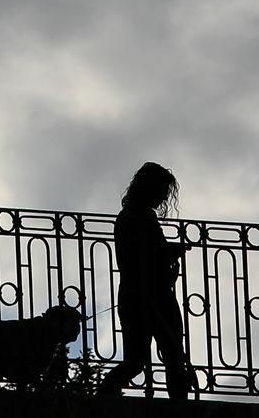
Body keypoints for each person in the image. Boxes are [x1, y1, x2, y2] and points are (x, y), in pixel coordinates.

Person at [96, 162, 193, 400]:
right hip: (150, 295)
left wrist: (168, 253)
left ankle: (103, 397)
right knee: (171, 354)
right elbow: (146, 256)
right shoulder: (139, 217)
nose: (163, 197)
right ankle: (178, 405)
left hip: (135, 294)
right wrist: (171, 253)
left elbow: (144, 254)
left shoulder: (130, 215)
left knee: (139, 360)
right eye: (161, 191)